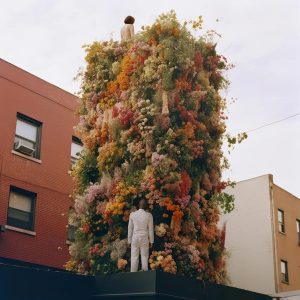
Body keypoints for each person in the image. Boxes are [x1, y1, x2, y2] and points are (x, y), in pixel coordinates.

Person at [128, 199, 154, 272]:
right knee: (144, 256)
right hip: (144, 238)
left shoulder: (132, 214)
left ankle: (133, 274)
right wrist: (151, 241)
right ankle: (145, 273)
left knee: (134, 256)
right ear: (146, 206)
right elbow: (150, 229)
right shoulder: (149, 215)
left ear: (139, 205)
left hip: (135, 238)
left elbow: (130, 228)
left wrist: (129, 241)